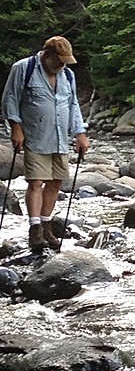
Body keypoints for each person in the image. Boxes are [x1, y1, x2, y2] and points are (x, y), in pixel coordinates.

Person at [2, 36, 89, 251]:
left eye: (65, 61)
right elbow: (10, 99)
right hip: (35, 135)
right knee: (35, 182)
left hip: (60, 137)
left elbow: (73, 104)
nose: (62, 65)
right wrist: (16, 128)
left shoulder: (67, 75)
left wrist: (80, 133)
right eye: (59, 60)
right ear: (47, 54)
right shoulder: (24, 68)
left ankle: (47, 224)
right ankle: (35, 230)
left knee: (57, 181)